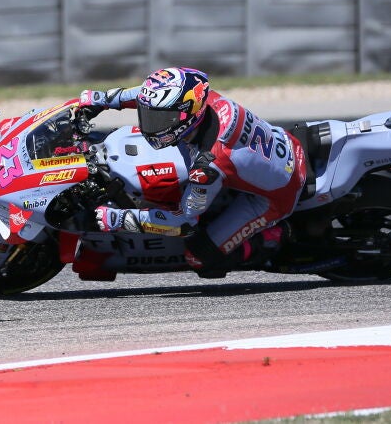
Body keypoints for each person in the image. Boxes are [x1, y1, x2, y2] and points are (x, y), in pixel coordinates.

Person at [77, 67, 307, 277]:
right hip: (282, 141)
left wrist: (119, 219)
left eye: (161, 119)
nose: (150, 126)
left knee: (198, 256)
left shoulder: (208, 164)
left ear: (188, 115)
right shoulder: (205, 99)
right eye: (150, 115)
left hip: (276, 195)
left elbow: (183, 223)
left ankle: (272, 237)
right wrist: (101, 100)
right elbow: (144, 95)